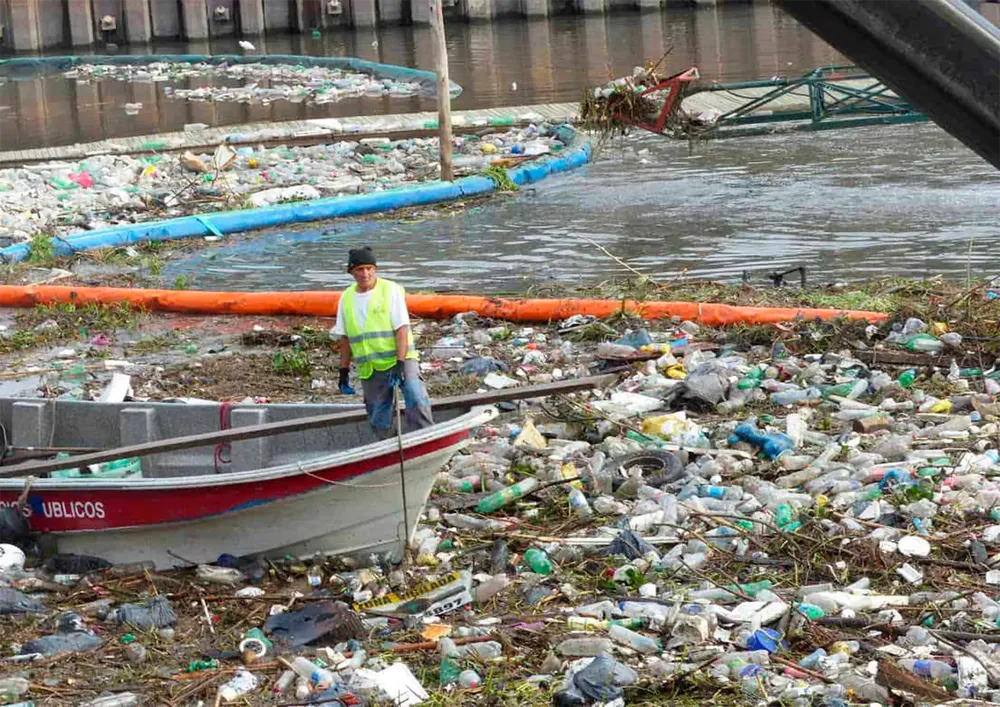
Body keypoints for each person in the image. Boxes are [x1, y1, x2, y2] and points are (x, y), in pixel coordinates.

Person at [333, 246, 434, 437]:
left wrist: (400, 362)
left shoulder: (390, 290)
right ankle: (387, 446)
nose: (365, 273)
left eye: (369, 268)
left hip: (399, 358)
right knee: (379, 413)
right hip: (370, 367)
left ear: (375, 269)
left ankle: (425, 435)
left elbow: (401, 330)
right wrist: (343, 371)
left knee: (415, 395)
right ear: (351, 272)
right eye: (359, 269)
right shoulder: (346, 298)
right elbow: (345, 338)